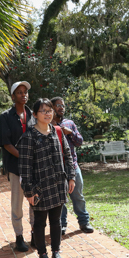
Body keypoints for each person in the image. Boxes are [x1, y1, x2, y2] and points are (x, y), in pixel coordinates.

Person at [17, 98, 76, 258]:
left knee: (56, 221)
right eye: (43, 111)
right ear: (35, 114)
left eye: (49, 110)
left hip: (58, 185)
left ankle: (56, 251)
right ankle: (42, 254)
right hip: (39, 188)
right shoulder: (28, 137)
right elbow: (25, 167)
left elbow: (68, 155)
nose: (48, 113)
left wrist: (70, 177)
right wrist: (29, 192)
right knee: (40, 223)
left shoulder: (57, 131)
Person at [0, 81, 36, 252]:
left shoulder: (33, 115)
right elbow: (6, 143)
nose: (23, 95)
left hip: (34, 167)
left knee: (35, 200)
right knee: (17, 203)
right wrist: (24, 157)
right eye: (19, 92)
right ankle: (19, 236)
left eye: (25, 92)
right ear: (13, 96)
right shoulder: (5, 117)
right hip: (16, 167)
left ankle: (36, 233)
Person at [51, 97, 94, 235]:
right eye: (58, 105)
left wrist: (71, 133)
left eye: (63, 105)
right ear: (51, 108)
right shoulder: (47, 124)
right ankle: (62, 225)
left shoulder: (70, 123)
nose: (61, 108)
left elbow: (80, 141)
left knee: (78, 195)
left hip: (72, 166)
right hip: (56, 168)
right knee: (60, 199)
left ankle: (84, 222)